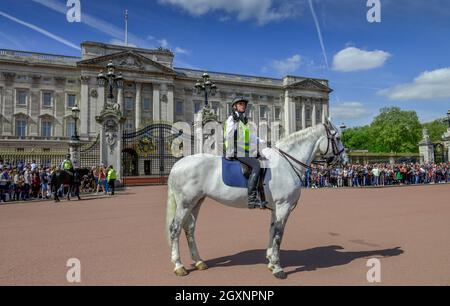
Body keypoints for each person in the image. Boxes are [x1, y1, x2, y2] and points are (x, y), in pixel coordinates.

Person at [224, 96, 267, 209]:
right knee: (256, 165)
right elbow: (228, 134)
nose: (243, 106)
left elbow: (249, 137)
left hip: (245, 150)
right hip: (236, 150)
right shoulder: (232, 119)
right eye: (240, 104)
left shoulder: (244, 121)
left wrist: (262, 141)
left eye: (244, 104)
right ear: (234, 106)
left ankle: (262, 194)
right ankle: (252, 199)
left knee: (263, 160)